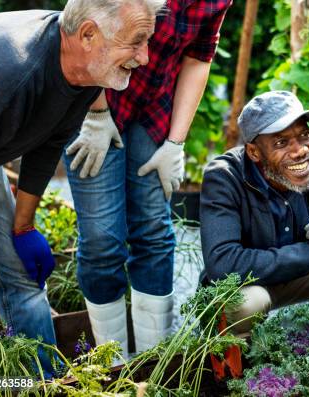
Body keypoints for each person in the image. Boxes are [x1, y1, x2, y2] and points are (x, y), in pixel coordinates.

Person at [0, 0, 164, 373]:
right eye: (136, 42)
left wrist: (23, 227)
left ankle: (42, 382)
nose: (145, 57)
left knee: (22, 277)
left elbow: (46, 144)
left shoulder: (82, 74)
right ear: (89, 34)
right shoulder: (11, 74)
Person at [63, 0, 232, 357]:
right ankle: (111, 363)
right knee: (102, 240)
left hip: (153, 110)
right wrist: (95, 114)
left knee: (154, 232)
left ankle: (151, 362)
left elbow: (199, 59)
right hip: (95, 96)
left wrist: (176, 143)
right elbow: (84, 28)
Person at [200, 91, 309, 332]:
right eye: (281, 142)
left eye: (304, 135)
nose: (300, 151)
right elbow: (223, 264)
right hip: (256, 285)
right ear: (254, 152)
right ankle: (240, 364)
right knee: (244, 305)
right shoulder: (224, 178)